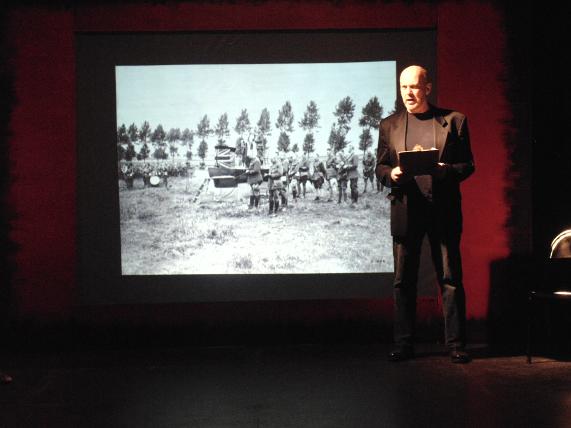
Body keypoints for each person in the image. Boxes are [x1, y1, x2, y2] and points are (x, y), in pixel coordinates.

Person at [376, 65, 475, 363]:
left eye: (414, 87)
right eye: (404, 87)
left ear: (427, 88)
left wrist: (446, 172)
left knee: (450, 278)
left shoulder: (454, 121)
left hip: (442, 211)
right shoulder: (389, 125)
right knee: (403, 280)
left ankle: (455, 344)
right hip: (407, 212)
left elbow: (468, 165)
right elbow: (379, 167)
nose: (408, 93)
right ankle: (404, 343)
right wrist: (391, 173)